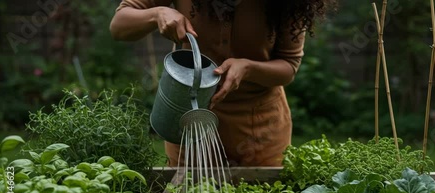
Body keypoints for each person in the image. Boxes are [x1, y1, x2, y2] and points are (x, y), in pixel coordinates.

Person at [110, 0, 336, 167]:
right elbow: (119, 25)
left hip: (259, 133)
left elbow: (288, 67)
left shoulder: (287, 4)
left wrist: (248, 68)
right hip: (190, 123)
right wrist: (157, 13)